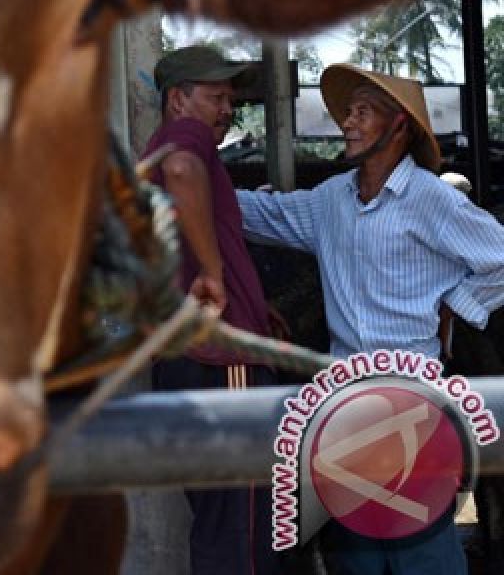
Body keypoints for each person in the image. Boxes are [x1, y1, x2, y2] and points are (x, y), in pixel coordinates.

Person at [238, 64, 504, 575]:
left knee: (421, 545)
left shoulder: (431, 199)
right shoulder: (331, 200)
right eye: (348, 112)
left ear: (398, 126)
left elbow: (498, 256)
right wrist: (184, 189)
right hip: (344, 406)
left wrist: (456, 306)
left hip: (414, 402)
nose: (348, 123)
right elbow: (260, 214)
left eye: (363, 112)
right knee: (355, 551)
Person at [143, 45, 281, 575]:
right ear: (178, 99)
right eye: (215, 96)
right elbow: (182, 170)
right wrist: (215, 275)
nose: (227, 109)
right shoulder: (185, 139)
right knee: (244, 531)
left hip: (190, 361)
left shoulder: (160, 146)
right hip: (223, 364)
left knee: (221, 520)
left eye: (231, 99)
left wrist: (255, 308)